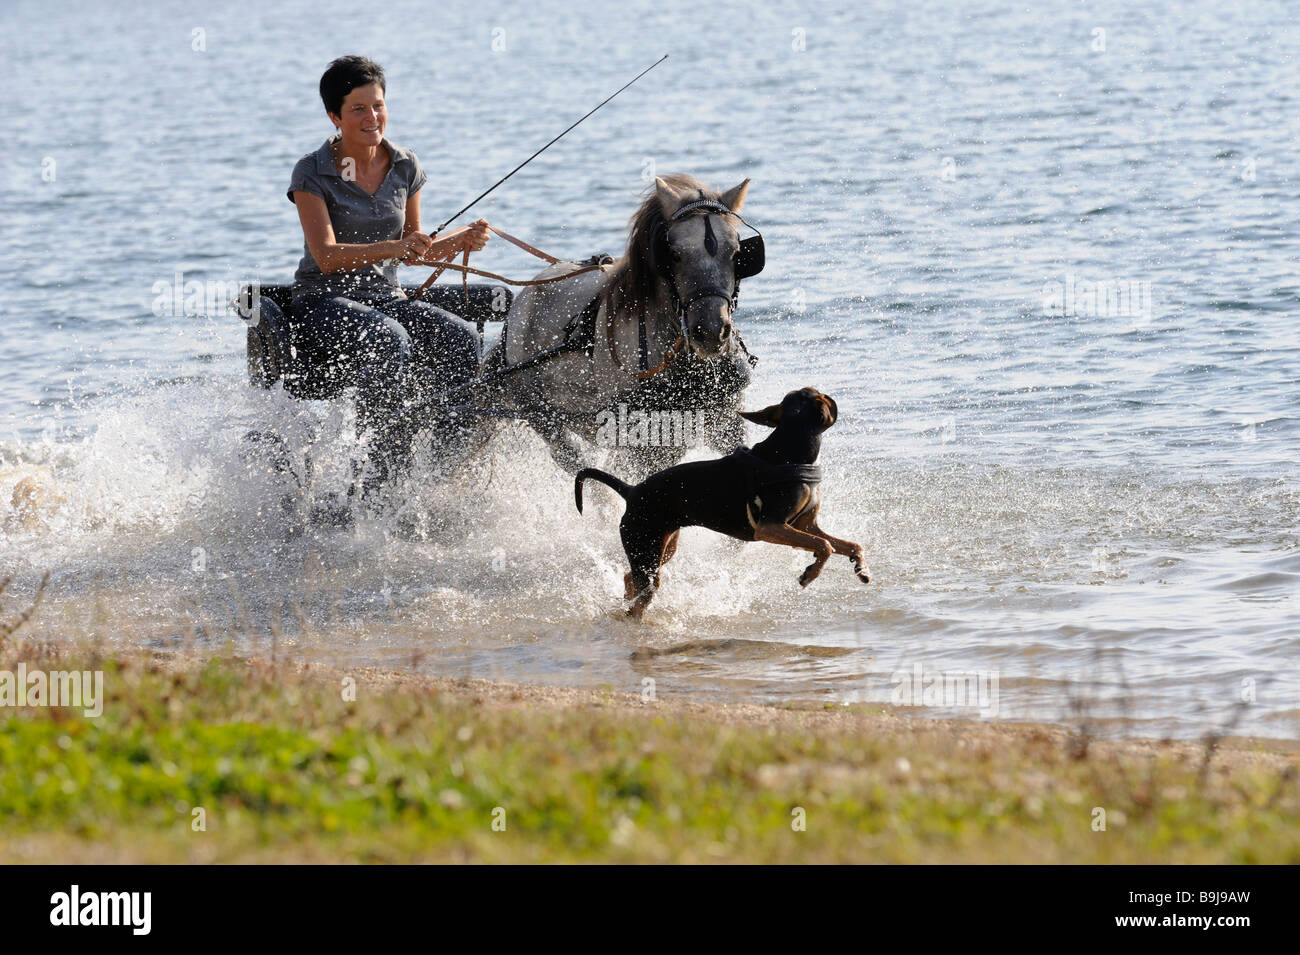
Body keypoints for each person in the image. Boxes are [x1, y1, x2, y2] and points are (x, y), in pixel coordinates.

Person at [287, 55, 490, 496]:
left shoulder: (404, 165)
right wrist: (394, 248)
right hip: (323, 301)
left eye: (378, 105)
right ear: (334, 117)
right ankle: (379, 479)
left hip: (386, 299)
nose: (371, 117)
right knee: (388, 338)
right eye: (358, 108)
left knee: (463, 341)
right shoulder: (312, 171)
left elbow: (417, 248)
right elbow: (325, 257)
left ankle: (440, 474)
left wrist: (462, 240)